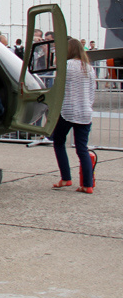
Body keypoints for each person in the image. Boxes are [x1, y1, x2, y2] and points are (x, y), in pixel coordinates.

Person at [51, 38, 96, 193]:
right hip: (85, 112)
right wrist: (88, 106)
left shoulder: (65, 66)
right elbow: (92, 92)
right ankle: (88, 185)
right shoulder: (89, 68)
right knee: (82, 148)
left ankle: (66, 178)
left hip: (67, 110)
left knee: (58, 142)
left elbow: (59, 88)